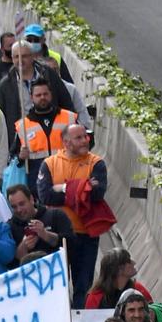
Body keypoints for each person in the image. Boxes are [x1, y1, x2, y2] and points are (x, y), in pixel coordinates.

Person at [37, 122, 111, 305]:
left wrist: (62, 188)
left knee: (82, 286)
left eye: (85, 136)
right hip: (57, 235)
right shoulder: (50, 164)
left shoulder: (96, 163)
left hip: (85, 235)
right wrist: (81, 188)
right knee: (56, 286)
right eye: (79, 138)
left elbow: (96, 194)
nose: (85, 140)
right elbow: (46, 196)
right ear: (66, 143)